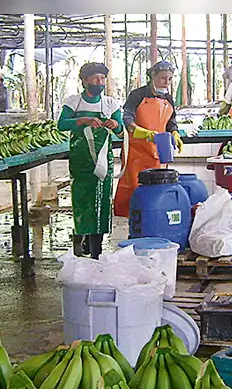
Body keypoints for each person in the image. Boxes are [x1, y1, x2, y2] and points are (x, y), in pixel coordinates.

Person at [56, 63, 124, 259]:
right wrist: (82, 120)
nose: (99, 82)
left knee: (101, 202)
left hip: (103, 163)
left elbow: (120, 133)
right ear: (84, 81)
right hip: (81, 161)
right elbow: (61, 124)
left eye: (102, 79)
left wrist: (116, 124)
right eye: (95, 78)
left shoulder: (110, 104)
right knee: (82, 201)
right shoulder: (74, 102)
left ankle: (97, 248)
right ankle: (80, 239)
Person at [115, 61, 182, 217]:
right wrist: (140, 131)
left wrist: (175, 133)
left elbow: (171, 122)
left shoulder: (169, 99)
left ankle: (154, 221)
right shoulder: (137, 95)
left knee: (156, 190)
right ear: (153, 76)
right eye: (163, 78)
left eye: (170, 79)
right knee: (135, 189)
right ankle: (135, 224)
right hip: (136, 152)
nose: (167, 82)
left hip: (159, 152)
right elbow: (126, 117)